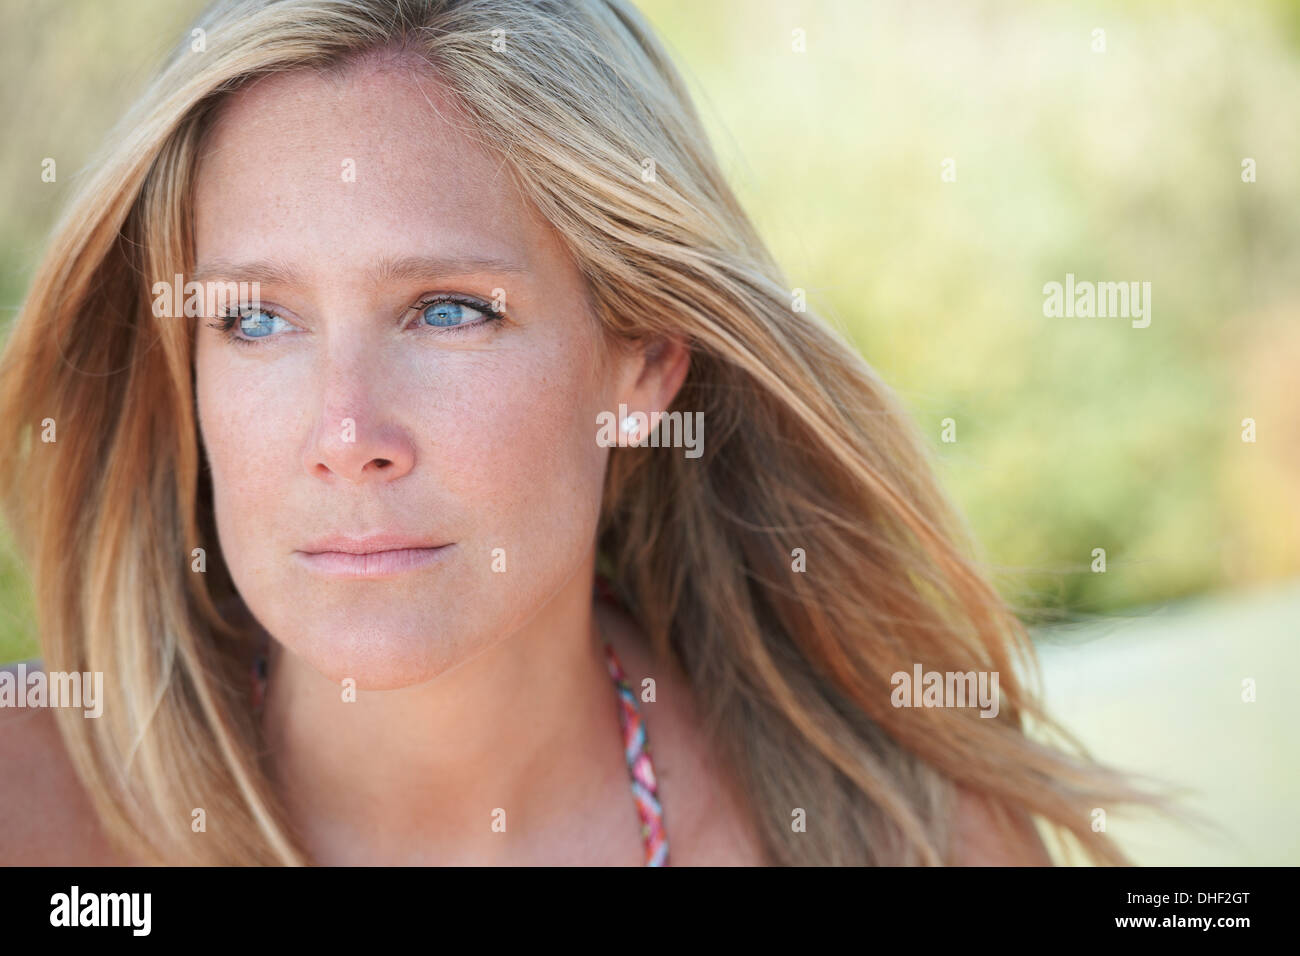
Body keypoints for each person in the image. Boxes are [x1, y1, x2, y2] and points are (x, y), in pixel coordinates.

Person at [0, 0, 1173, 865]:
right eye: (256, 319)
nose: (346, 432)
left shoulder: (902, 833)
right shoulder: (29, 795)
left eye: (449, 309)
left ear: (644, 362)